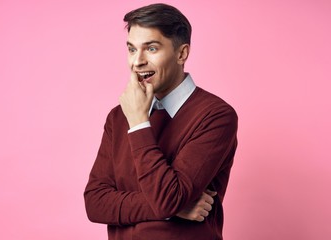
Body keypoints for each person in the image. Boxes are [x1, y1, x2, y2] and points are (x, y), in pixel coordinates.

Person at [84, 3, 238, 240]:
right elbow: (95, 203)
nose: (137, 62)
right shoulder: (118, 116)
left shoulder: (216, 115)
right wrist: (171, 209)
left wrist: (138, 123)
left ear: (181, 53)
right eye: (132, 49)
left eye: (151, 48)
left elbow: (168, 198)